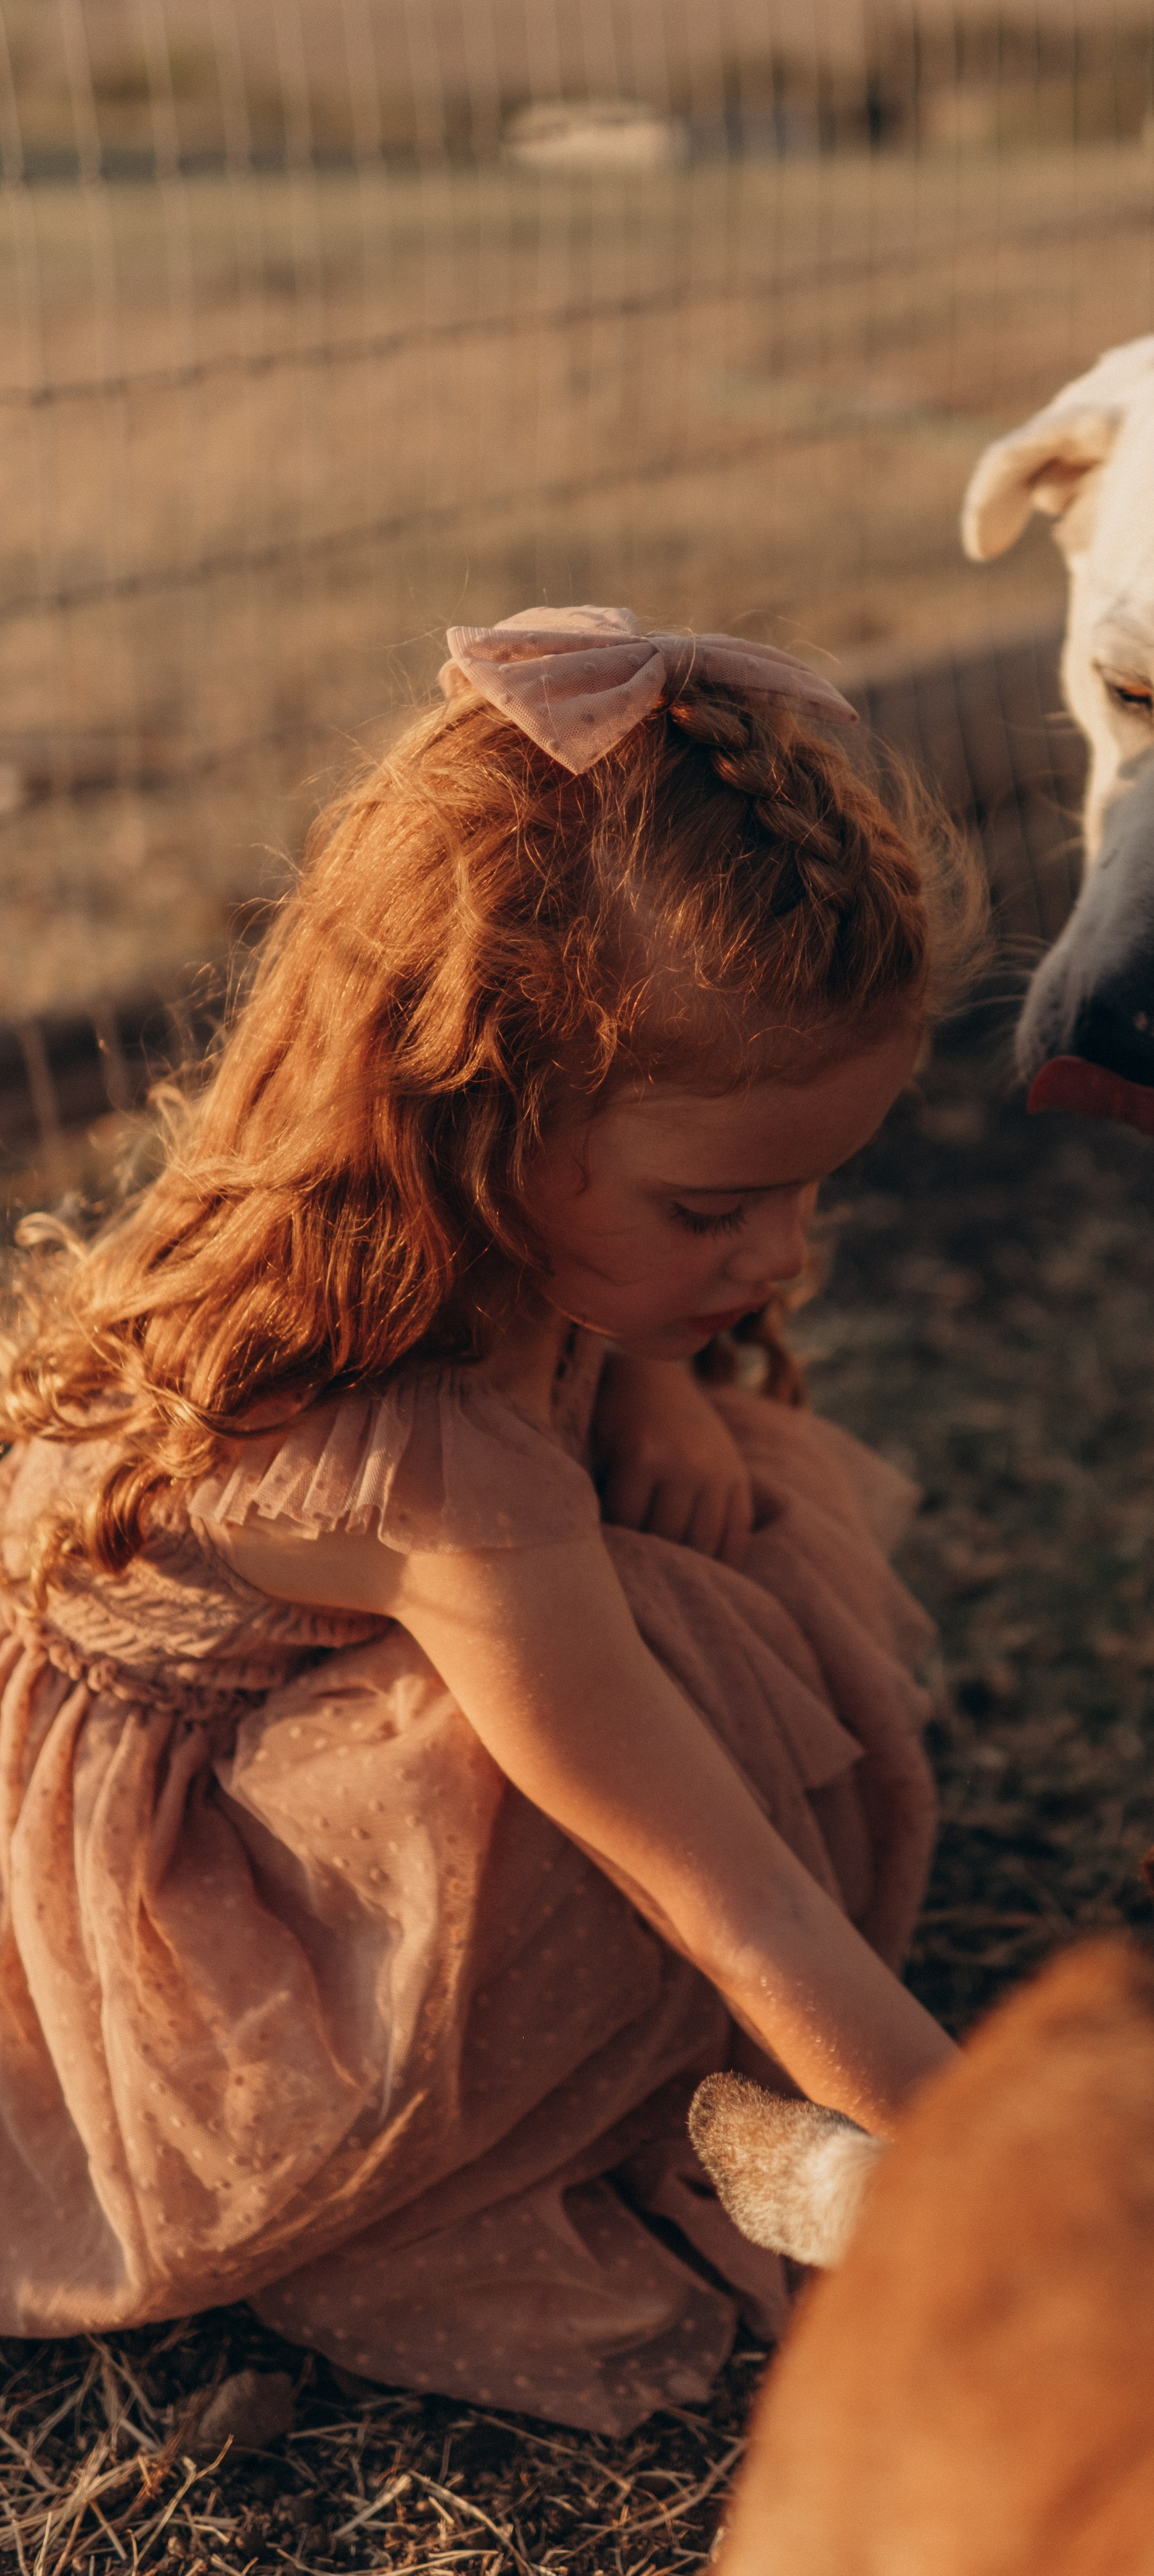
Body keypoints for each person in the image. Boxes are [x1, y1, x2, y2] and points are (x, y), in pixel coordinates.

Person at [0, 607, 985, 2431]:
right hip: (173, 1862)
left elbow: (609, 1317)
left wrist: (659, 1371)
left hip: (433, 1585)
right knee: (620, 1760)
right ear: (483, 1118)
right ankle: (475, 2134)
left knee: (732, 1534)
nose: (778, 1257)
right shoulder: (437, 1483)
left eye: (809, 1192)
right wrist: (1001, 2176)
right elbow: (729, 1892)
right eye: (716, 1214)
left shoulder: (464, 1225)